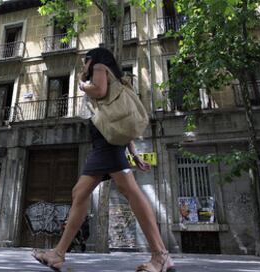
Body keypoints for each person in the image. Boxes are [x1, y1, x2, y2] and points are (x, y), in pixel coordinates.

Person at [32, 47, 176, 272]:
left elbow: (98, 90)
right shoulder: (112, 78)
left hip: (107, 146)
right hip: (106, 144)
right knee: (81, 193)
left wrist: (81, 84)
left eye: (84, 61)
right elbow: (118, 124)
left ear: (93, 60)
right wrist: (135, 155)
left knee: (128, 192)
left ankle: (161, 255)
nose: (84, 66)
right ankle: (58, 254)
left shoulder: (99, 68)